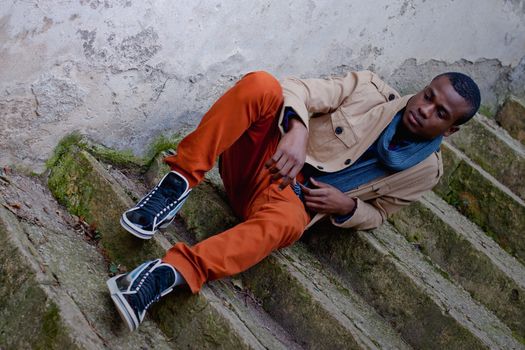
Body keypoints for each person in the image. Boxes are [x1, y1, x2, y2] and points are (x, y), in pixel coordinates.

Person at [107, 70, 480, 331]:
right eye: (428, 95)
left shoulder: (425, 171)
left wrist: (347, 207)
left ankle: (166, 274)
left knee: (290, 224)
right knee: (261, 85)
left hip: (288, 201)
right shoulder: (368, 88)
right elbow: (297, 88)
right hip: (266, 158)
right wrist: (297, 130)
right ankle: (176, 186)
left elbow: (379, 214)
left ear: (451, 130)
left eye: (440, 113)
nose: (424, 109)